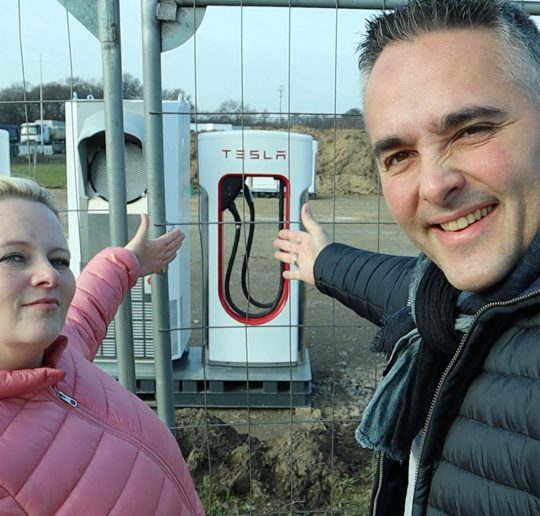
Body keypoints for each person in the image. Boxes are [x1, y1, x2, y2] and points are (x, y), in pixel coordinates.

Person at [273, 0, 540, 514]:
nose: (436, 186)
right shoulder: (453, 304)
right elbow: (403, 287)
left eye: (471, 130)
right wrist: (323, 260)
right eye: (400, 156)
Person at [0, 177, 204, 515]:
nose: (49, 275)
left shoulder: (62, 355)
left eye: (59, 260)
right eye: (14, 257)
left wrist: (128, 261)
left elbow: (89, 304)